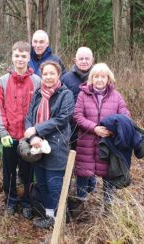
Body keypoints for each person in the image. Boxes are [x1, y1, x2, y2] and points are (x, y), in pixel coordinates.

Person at [0, 41, 41, 219]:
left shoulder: (37, 81)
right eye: (17, 56)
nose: (20, 59)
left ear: (29, 57)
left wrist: (35, 133)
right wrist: (3, 132)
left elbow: (40, 109)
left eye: (23, 56)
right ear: (12, 57)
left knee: (28, 173)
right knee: (9, 172)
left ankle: (27, 203)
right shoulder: (3, 81)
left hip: (28, 137)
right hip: (9, 137)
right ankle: (11, 201)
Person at [24, 61, 74, 229]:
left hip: (56, 147)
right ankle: (50, 217)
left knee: (55, 186)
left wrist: (37, 129)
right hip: (38, 147)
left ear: (58, 74)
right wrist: (32, 139)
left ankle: (61, 222)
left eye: (52, 73)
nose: (48, 77)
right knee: (43, 184)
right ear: (41, 75)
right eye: (45, 74)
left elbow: (62, 119)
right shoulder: (38, 93)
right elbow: (28, 117)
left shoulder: (65, 94)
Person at [73, 63, 130, 210]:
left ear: (108, 79)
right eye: (96, 76)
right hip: (86, 142)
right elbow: (77, 116)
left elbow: (125, 116)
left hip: (108, 144)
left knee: (108, 175)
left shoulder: (116, 96)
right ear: (91, 78)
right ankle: (81, 205)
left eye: (103, 76)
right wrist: (94, 128)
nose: (99, 79)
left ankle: (108, 207)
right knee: (83, 173)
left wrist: (112, 130)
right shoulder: (82, 95)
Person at [61, 46, 94, 149]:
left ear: (92, 60)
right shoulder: (66, 78)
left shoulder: (98, 76)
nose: (84, 61)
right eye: (81, 59)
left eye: (87, 58)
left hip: (92, 126)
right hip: (72, 127)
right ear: (75, 60)